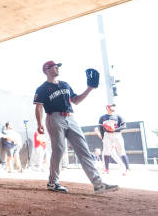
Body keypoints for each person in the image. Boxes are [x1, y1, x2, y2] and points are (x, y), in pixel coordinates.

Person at [33, 60, 118, 194]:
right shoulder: (42, 88)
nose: (57, 68)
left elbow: (76, 100)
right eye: (55, 67)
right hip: (54, 117)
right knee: (59, 150)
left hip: (71, 117)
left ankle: (98, 184)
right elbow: (38, 107)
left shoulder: (65, 84)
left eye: (58, 67)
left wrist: (90, 88)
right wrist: (39, 123)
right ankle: (52, 182)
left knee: (83, 149)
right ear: (47, 70)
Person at [95, 104, 130, 175]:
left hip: (117, 134)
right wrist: (103, 137)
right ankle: (106, 169)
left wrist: (115, 129)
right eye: (111, 106)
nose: (113, 108)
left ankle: (127, 169)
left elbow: (124, 126)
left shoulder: (118, 116)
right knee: (106, 152)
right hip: (107, 135)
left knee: (121, 151)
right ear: (107, 108)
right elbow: (101, 128)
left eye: (113, 106)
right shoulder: (102, 117)